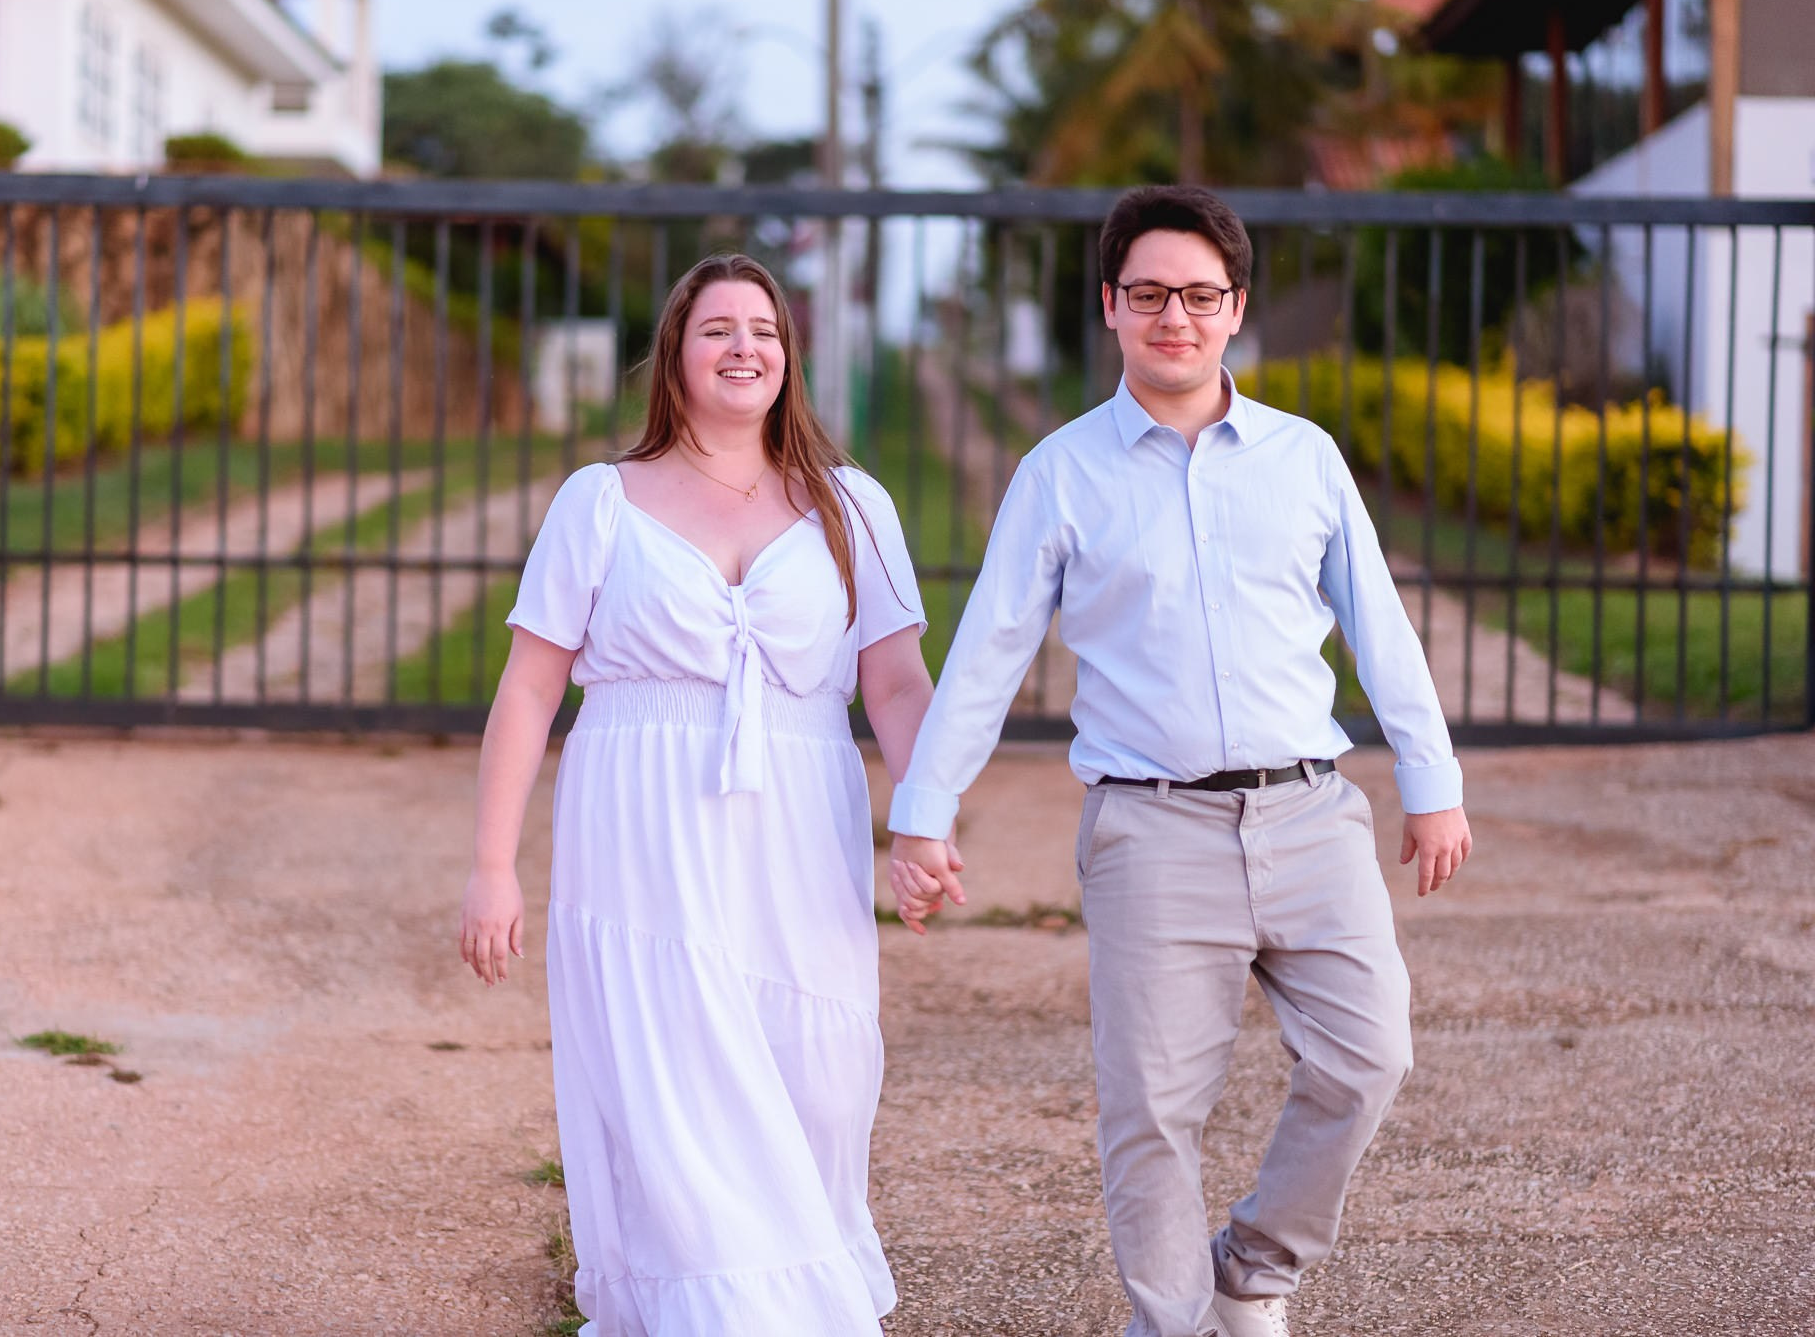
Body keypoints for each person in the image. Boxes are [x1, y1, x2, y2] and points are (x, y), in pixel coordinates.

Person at [886, 186, 1473, 1337]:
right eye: (1148, 294)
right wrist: (922, 812)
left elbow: (1378, 624)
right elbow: (987, 651)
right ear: (1108, 306)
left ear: (1233, 309)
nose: (1175, 317)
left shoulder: (1302, 459)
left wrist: (1431, 779)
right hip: (1149, 831)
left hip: (1308, 815)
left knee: (1370, 1057)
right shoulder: (1059, 473)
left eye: (1199, 296)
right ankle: (1170, 1321)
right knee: (1151, 1112)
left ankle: (1250, 1269)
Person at [458, 252, 943, 1335]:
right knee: (673, 1073)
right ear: (673, 355)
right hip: (639, 823)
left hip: (799, 822)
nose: (744, 347)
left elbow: (898, 680)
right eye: (717, 327)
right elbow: (529, 686)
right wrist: (493, 867)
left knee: (817, 1071)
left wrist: (924, 816)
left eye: (764, 330)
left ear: (788, 357)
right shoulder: (600, 501)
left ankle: (796, 1279)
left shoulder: (850, 505)